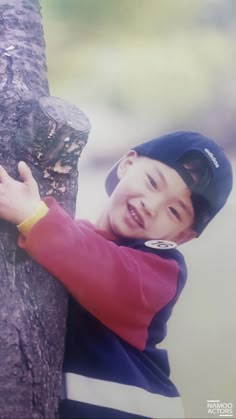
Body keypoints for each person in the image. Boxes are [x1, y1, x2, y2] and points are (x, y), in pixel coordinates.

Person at [0, 131, 232, 418]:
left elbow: (106, 273)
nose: (152, 205)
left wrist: (33, 216)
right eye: (152, 182)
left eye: (173, 211)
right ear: (127, 163)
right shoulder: (68, 236)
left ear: (182, 236)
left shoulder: (163, 270)